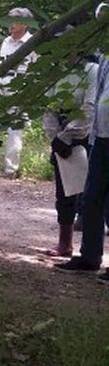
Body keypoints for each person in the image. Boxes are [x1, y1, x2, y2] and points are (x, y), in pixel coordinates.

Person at [57, 46, 109, 281]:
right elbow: (98, 97)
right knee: (90, 199)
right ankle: (89, 257)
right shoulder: (105, 58)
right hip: (100, 136)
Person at [41, 53, 96, 258]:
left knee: (92, 193)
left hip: (88, 136)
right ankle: (65, 243)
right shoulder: (55, 71)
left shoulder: (92, 70)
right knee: (64, 193)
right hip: (61, 135)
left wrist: (69, 135)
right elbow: (49, 107)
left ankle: (91, 248)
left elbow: (89, 108)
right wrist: (56, 137)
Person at [0, 6, 37, 177]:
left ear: (25, 23)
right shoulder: (5, 42)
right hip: (0, 86)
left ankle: (11, 169)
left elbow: (35, 70)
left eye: (15, 20)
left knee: (14, 130)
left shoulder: (33, 43)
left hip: (19, 89)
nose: (10, 23)